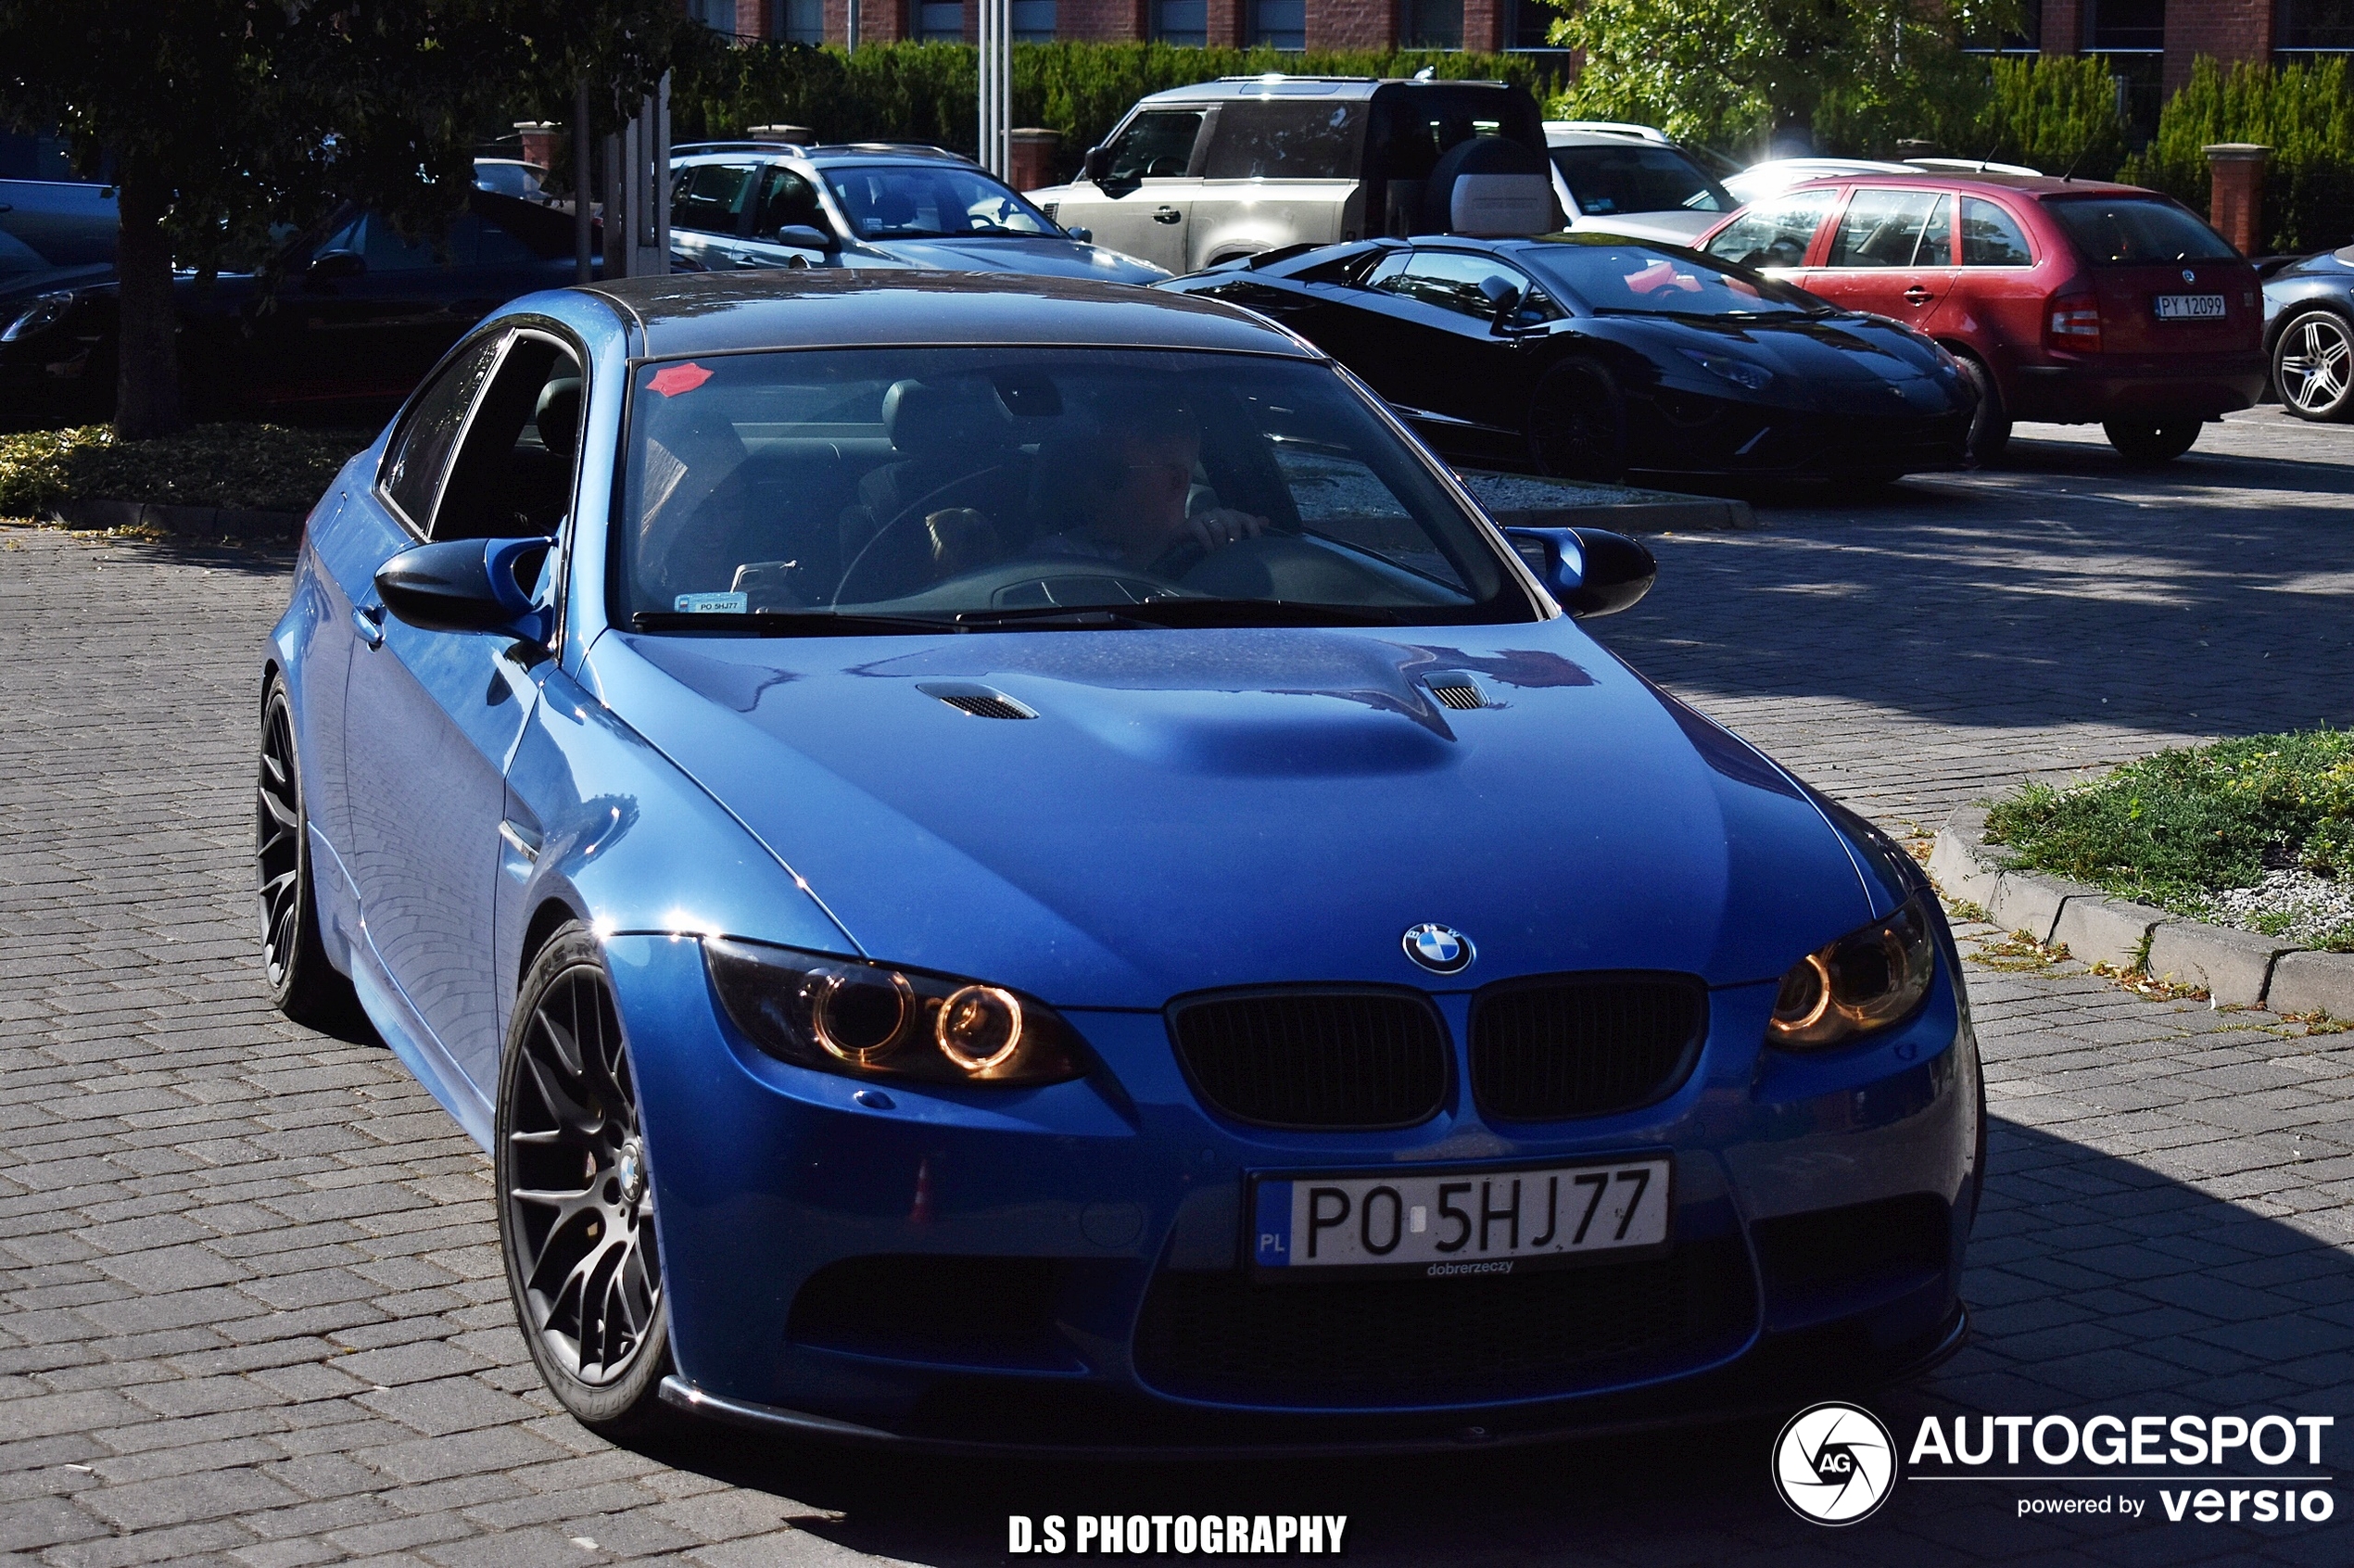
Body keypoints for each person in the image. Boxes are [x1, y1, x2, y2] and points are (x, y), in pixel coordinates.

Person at [1033, 397, 1269, 575]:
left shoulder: (1219, 548)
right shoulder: (1059, 559)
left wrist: (1240, 539)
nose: (1089, 487)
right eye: (1088, 470)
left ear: (1174, 482)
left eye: (1110, 475)